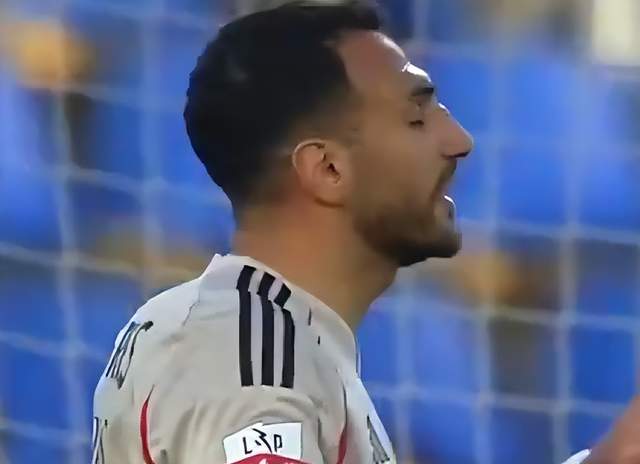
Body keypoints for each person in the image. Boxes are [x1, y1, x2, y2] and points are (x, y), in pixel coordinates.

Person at [91, 2, 604, 463]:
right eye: (416, 120)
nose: (460, 141)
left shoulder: (283, 335)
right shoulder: (254, 369)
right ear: (328, 169)